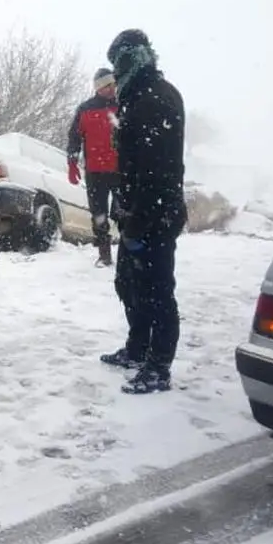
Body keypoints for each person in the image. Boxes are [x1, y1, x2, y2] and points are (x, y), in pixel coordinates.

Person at [98, 29, 188, 395]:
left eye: (118, 61)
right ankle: (137, 348)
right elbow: (132, 165)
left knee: (157, 291)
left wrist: (139, 218)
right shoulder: (137, 96)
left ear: (135, 57)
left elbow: (157, 170)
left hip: (155, 216)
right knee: (128, 284)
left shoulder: (158, 98)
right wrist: (122, 206)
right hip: (134, 212)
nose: (115, 73)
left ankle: (159, 366)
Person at [66, 67, 122, 267]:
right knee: (98, 213)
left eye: (113, 85)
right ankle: (104, 254)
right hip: (95, 171)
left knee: (123, 211)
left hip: (121, 170)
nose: (111, 89)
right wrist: (72, 161)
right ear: (98, 88)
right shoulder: (85, 109)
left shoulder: (123, 105)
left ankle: (129, 251)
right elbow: (74, 136)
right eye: (107, 86)